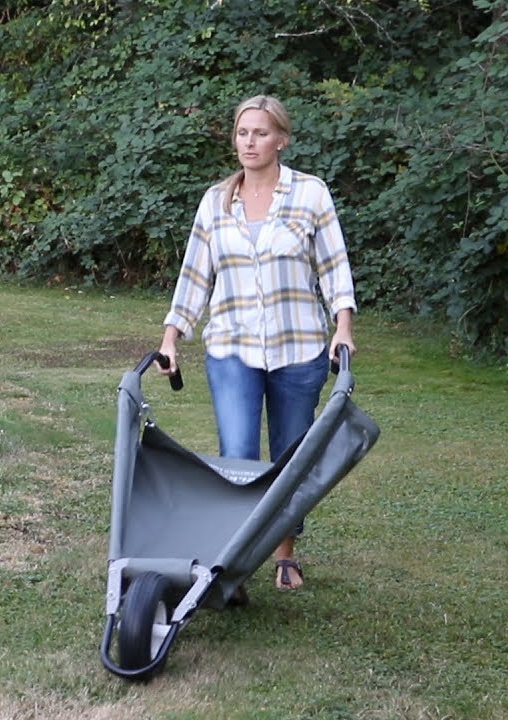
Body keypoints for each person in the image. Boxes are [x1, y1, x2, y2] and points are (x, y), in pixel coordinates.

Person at [157, 94, 357, 591]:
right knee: (239, 455)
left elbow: (334, 268)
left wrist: (343, 327)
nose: (250, 142)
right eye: (243, 132)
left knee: (291, 456)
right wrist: (171, 336)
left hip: (299, 348)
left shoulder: (310, 195)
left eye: (261, 133)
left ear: (281, 140)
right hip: (231, 347)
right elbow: (195, 276)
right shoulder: (216, 201)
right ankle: (236, 560)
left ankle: (285, 553)